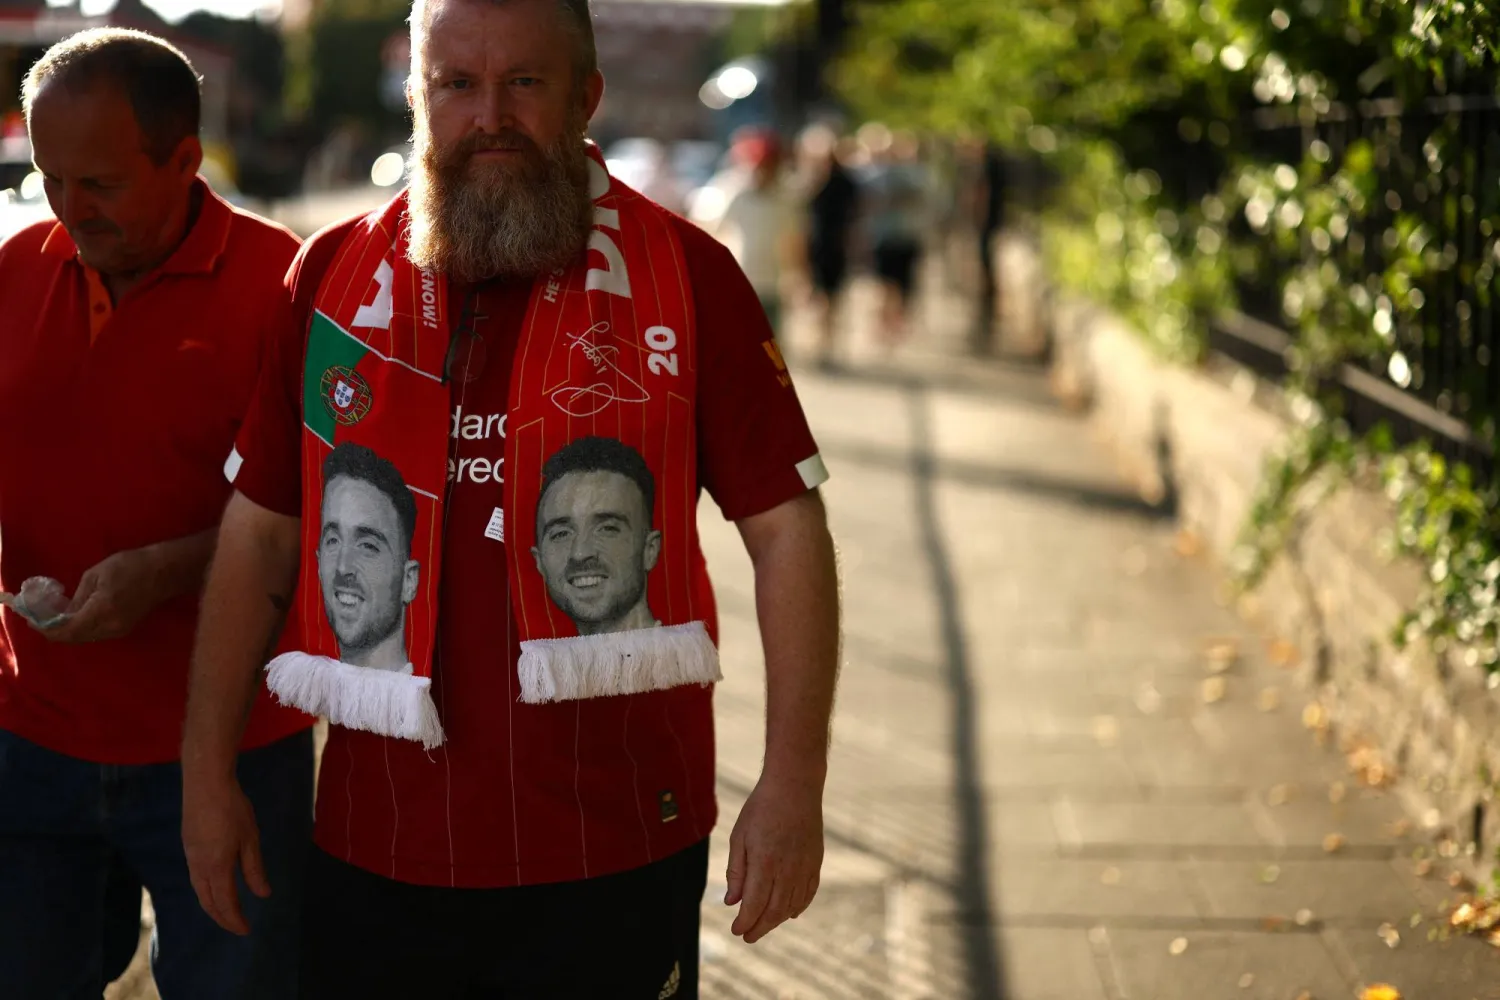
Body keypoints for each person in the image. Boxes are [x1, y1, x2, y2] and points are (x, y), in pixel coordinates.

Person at [180, 2, 840, 999]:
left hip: (616, 848)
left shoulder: (689, 274)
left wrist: (793, 787)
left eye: (524, 84)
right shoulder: (326, 276)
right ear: (417, 98)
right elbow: (259, 539)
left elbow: (790, 532)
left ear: (587, 97)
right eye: (456, 85)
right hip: (378, 845)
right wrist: (203, 775)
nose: (490, 116)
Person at [0, 28, 313, 999]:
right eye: (48, 178)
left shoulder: (289, 288)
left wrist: (167, 568)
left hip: (228, 751)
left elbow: (337, 511)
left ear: (186, 160)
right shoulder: (11, 274)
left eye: (97, 183)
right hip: (29, 742)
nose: (66, 210)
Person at [533, 436, 661, 636]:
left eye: (607, 529)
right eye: (561, 534)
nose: (580, 553)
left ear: (650, 550)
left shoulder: (690, 662)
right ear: (539, 560)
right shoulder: (540, 665)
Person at [318, 442, 421, 669]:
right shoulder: (299, 693)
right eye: (333, 540)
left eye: (367, 546)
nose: (343, 567)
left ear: (409, 581)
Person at [713, 129, 799, 336]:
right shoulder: (734, 192)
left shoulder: (785, 198)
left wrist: (795, 275)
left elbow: (793, 239)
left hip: (772, 281)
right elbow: (712, 230)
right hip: (741, 277)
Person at [796, 122, 858, 369]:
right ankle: (821, 343)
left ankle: (826, 344)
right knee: (819, 297)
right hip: (816, 246)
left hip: (833, 247)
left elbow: (854, 217)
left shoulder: (843, 182)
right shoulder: (810, 180)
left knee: (831, 298)